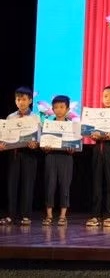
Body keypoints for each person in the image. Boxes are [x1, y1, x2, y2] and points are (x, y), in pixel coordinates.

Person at [86, 86, 110, 228]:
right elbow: (88, 131)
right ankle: (95, 215)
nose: (108, 99)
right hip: (97, 148)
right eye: (105, 96)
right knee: (96, 182)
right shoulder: (96, 114)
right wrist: (91, 134)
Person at [0, 87, 39, 226]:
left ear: (30, 100)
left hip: (29, 155)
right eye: (18, 99)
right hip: (14, 155)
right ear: (15, 101)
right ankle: (11, 215)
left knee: (27, 185)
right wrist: (2, 144)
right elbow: (5, 136)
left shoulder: (35, 117)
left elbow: (39, 138)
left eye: (24, 99)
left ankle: (26, 216)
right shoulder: (10, 117)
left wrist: (36, 143)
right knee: (12, 185)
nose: (21, 102)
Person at [42, 95, 77, 226]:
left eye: (62, 107)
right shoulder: (48, 124)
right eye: (56, 107)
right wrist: (45, 148)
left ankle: (63, 216)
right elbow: (44, 144)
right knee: (50, 185)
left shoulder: (72, 125)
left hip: (66, 158)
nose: (59, 110)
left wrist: (73, 148)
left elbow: (76, 145)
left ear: (67, 108)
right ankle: (49, 215)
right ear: (52, 109)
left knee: (65, 186)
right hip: (51, 156)